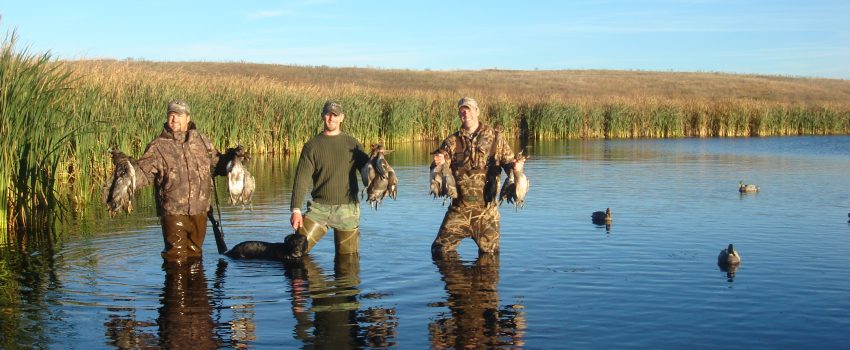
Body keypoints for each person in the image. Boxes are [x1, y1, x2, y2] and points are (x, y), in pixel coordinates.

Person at [431, 97, 525, 257]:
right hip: (459, 210)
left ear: (477, 111)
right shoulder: (452, 141)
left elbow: (509, 163)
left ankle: (483, 279)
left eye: (468, 109)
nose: (465, 112)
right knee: (439, 251)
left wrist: (516, 167)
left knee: (490, 257)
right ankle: (457, 282)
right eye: (461, 110)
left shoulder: (496, 138)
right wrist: (438, 161)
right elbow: (439, 165)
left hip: (486, 212)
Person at [135, 99, 227, 261]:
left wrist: (232, 160)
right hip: (174, 211)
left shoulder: (202, 141)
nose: (174, 118)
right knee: (175, 260)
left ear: (188, 118)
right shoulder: (158, 146)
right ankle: (175, 287)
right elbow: (141, 174)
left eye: (179, 115)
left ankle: (198, 287)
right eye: (171, 114)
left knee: (195, 256)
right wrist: (126, 175)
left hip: (200, 210)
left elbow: (217, 165)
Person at [290, 100, 370, 256]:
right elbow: (301, 179)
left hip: (348, 210)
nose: (331, 119)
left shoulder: (353, 144)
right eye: (328, 114)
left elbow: (368, 173)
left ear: (342, 118)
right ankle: (311, 280)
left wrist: (381, 168)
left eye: (335, 115)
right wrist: (296, 210)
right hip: (318, 209)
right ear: (322, 116)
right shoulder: (311, 146)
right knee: (295, 254)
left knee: (348, 266)